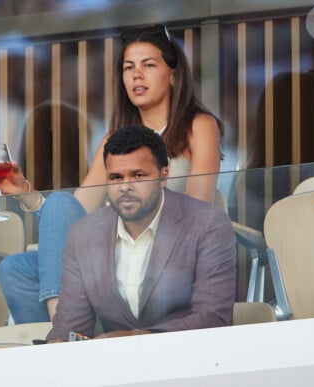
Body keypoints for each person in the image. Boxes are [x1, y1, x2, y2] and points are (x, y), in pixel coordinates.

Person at [0, 24, 223, 323]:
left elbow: (198, 205)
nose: (136, 75)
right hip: (110, 256)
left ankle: (66, 333)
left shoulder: (198, 126)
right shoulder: (114, 140)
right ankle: (66, 336)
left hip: (165, 252)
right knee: (15, 268)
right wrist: (25, 193)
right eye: (128, 67)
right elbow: (75, 213)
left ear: (173, 73)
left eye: (148, 65)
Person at [46, 125, 236, 341]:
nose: (125, 186)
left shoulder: (208, 224)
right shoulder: (83, 235)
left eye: (138, 175)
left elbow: (213, 318)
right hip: (112, 368)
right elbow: (71, 326)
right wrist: (57, 346)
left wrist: (134, 338)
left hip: (189, 361)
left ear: (164, 176)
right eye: (116, 178)